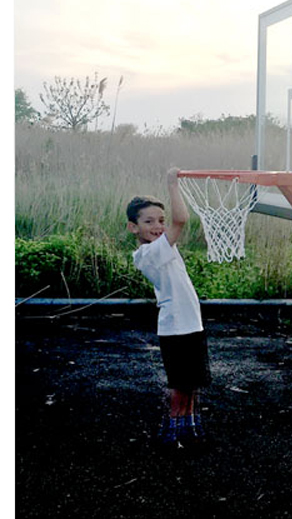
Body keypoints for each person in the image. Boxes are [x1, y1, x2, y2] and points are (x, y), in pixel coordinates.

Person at [126, 167, 209, 449]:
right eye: (149, 221)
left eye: (161, 220)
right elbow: (182, 219)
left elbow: (175, 223)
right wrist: (172, 184)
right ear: (133, 227)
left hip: (191, 323)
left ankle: (190, 426)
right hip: (176, 327)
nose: (158, 226)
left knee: (191, 383)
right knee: (179, 384)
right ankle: (171, 431)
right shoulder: (148, 253)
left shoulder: (161, 247)